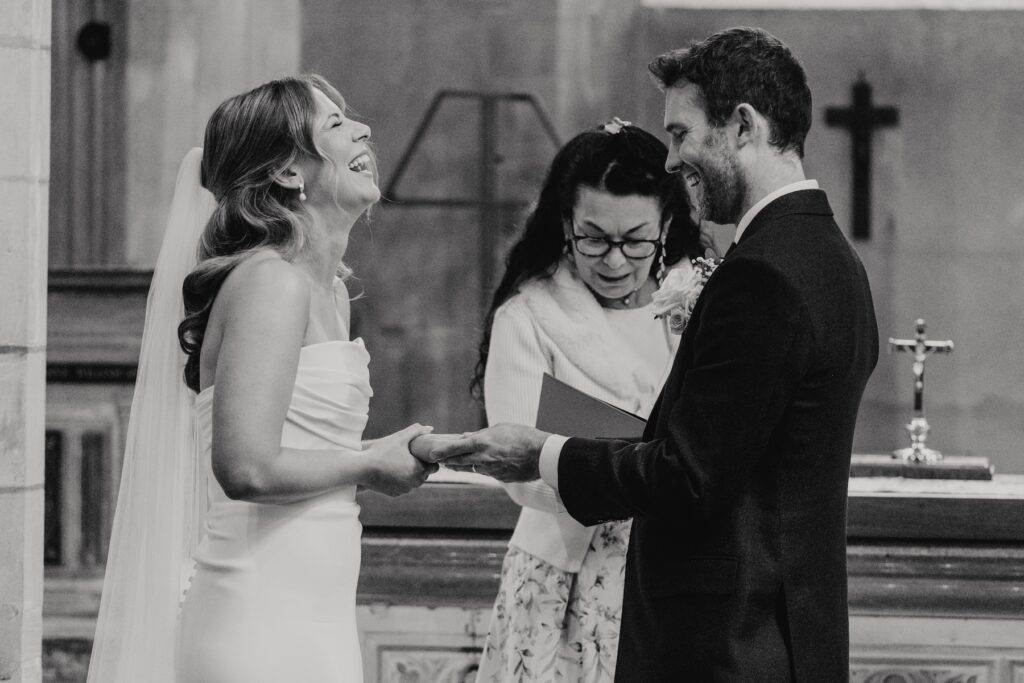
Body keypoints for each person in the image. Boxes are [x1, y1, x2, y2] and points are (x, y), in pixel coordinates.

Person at [434, 27, 879, 682]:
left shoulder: (761, 275)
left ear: (743, 127)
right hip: (783, 630)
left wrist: (542, 450)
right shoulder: (829, 260)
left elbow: (689, 478)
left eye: (680, 133)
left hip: (730, 643)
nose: (670, 161)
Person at [87, 75, 437, 683]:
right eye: (334, 124)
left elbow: (304, 453)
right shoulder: (270, 282)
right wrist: (371, 464)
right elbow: (246, 467)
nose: (364, 130)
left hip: (315, 615)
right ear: (287, 172)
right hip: (257, 618)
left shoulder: (328, 291)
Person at [470, 121, 708, 682]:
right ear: (565, 225)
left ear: (667, 224)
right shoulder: (530, 316)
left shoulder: (702, 302)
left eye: (636, 239)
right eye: (594, 238)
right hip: (566, 577)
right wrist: (644, 468)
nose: (616, 261)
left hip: (679, 574)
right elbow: (520, 471)